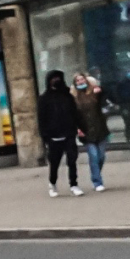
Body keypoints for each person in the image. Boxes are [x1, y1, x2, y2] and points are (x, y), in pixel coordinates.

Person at [36, 70, 82, 198]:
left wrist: (80, 128)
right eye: (53, 79)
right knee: (54, 163)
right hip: (53, 136)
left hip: (68, 133)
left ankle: (74, 184)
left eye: (58, 78)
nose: (56, 81)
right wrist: (45, 136)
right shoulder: (44, 99)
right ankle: (52, 183)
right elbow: (41, 119)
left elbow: (75, 114)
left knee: (72, 160)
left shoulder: (67, 96)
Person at [71, 75, 110, 192]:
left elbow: (106, 99)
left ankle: (96, 173)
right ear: (75, 83)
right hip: (86, 131)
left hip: (100, 128)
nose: (80, 82)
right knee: (93, 156)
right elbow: (72, 115)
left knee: (101, 156)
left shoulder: (94, 92)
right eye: (78, 81)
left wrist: (100, 90)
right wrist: (77, 128)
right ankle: (97, 181)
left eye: (82, 79)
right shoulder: (73, 97)